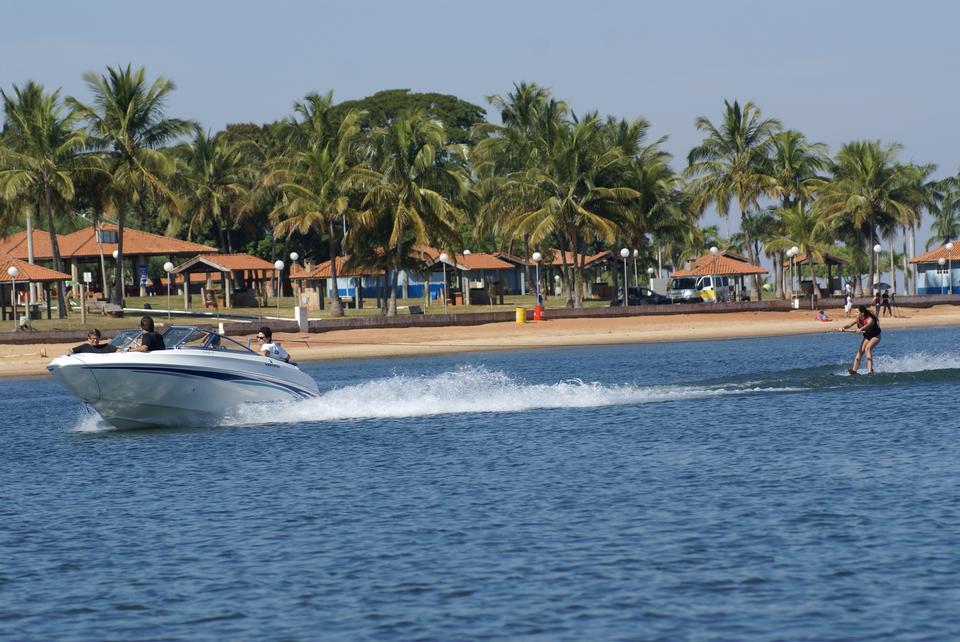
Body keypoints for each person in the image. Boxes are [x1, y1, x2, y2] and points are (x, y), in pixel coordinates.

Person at [840, 304, 881, 375]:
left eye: (856, 312)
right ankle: (854, 371)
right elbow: (849, 325)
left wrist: (860, 329)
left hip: (875, 336)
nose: (855, 314)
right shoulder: (857, 319)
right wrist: (843, 328)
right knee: (860, 352)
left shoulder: (869, 319)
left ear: (862, 313)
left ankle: (870, 371)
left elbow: (867, 326)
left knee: (867, 348)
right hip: (867, 336)